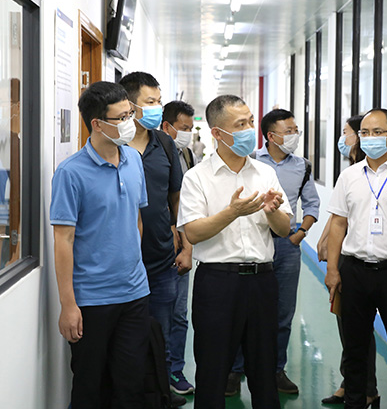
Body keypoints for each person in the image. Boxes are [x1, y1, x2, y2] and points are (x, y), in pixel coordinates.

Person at [177, 94, 292, 409]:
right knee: (212, 371)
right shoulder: (197, 178)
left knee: (264, 371)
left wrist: (271, 212)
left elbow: (284, 229)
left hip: (262, 282)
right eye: (240, 124)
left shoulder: (265, 173)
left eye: (251, 121)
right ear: (217, 133)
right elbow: (193, 232)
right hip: (218, 283)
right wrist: (233, 212)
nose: (250, 130)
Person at [50, 81, 150, 408]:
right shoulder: (70, 173)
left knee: (132, 385)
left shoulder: (134, 159)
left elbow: (136, 218)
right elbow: (63, 240)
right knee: (90, 387)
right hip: (91, 300)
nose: (130, 123)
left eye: (130, 114)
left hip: (135, 294)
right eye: (122, 118)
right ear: (97, 124)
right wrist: (68, 305)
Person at [227, 109, 320, 396]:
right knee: (244, 311)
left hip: (286, 246)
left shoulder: (302, 166)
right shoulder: (250, 161)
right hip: (254, 244)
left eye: (295, 130)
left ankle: (276, 369)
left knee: (282, 313)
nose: (294, 136)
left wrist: (300, 234)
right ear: (271, 136)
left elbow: (312, 203)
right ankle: (236, 370)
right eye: (288, 131)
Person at [324, 109, 387, 409]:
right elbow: (338, 224)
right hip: (355, 270)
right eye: (365, 133)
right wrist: (333, 270)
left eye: (378, 132)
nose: (370, 138)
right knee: (355, 349)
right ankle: (355, 402)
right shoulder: (350, 176)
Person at [118, 72, 187, 408]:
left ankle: (162, 390)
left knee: (162, 331)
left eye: (159, 101)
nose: (158, 107)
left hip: (161, 257)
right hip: (121, 262)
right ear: (130, 105)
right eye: (151, 102)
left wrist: (185, 244)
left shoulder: (165, 144)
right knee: (127, 337)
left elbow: (177, 198)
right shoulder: (115, 144)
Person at [320, 115, 379, 407]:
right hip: (349, 258)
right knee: (351, 330)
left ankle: (367, 388)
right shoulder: (352, 171)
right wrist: (326, 243)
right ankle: (353, 386)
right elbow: (339, 216)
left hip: (380, 261)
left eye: (347, 132)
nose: (343, 139)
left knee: (361, 331)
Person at [161, 100, 197, 395]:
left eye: (190, 128)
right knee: (160, 314)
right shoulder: (153, 152)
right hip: (160, 244)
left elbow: (185, 203)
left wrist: (187, 244)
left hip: (181, 243)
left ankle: (175, 369)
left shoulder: (186, 152)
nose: (187, 133)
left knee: (179, 314)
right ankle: (158, 373)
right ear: (167, 126)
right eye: (183, 128)